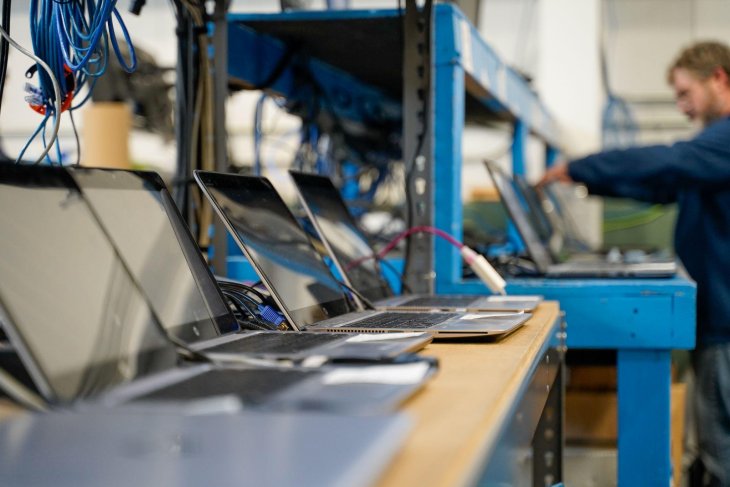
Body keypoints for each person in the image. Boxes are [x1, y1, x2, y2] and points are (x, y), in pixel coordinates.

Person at [539, 40, 730, 486]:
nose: (682, 107)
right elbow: (664, 184)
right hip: (717, 321)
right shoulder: (713, 153)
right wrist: (589, 183)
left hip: (726, 329)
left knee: (722, 454)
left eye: (686, 94)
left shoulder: (722, 140)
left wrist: (582, 166)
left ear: (719, 78)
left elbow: (670, 160)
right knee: (715, 447)